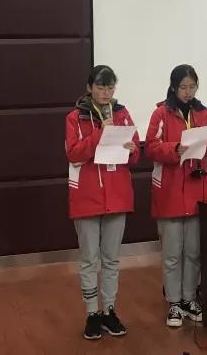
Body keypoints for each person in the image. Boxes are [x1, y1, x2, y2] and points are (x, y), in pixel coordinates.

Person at [145, 64, 207, 328]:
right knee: (172, 253)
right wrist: (176, 148)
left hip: (197, 189)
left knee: (193, 252)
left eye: (192, 87)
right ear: (173, 87)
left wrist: (203, 141)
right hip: (170, 191)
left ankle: (190, 298)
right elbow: (151, 147)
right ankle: (174, 302)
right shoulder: (161, 113)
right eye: (183, 87)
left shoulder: (204, 113)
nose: (188, 92)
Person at [65, 65, 140, 340]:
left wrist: (132, 150)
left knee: (111, 259)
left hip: (117, 195)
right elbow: (73, 153)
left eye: (110, 87)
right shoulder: (75, 117)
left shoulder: (122, 113)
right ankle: (91, 314)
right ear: (89, 88)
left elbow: (135, 155)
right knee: (89, 259)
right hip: (87, 197)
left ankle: (109, 310)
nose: (106, 93)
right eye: (100, 87)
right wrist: (100, 134)